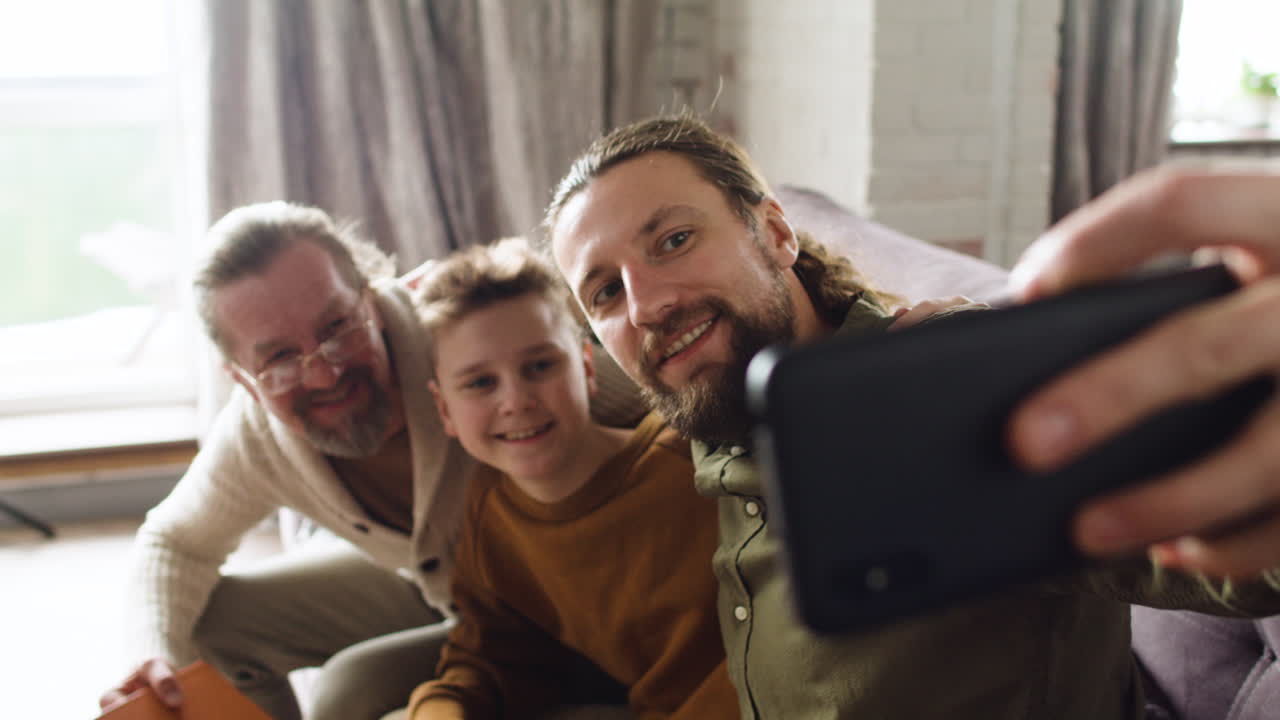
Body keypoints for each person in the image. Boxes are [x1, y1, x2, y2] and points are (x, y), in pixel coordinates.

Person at [541, 114, 1280, 719]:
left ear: (775, 233)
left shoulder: (956, 400)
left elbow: (1241, 564)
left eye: (674, 240)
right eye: (605, 291)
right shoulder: (715, 419)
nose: (648, 305)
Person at [100, 202, 644, 720]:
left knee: (350, 688)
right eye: (279, 359)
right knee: (209, 626)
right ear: (241, 377)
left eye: (337, 327)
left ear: (372, 298)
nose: (324, 374)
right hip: (451, 601)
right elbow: (174, 543)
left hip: (566, 603)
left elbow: (658, 396)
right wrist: (150, 656)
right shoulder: (256, 438)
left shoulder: (464, 338)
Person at [403, 237, 735, 719]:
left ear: (585, 367)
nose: (516, 401)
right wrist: (443, 707)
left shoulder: (688, 456)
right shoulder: (491, 511)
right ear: (444, 410)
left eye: (540, 366)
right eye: (480, 383)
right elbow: (490, 654)